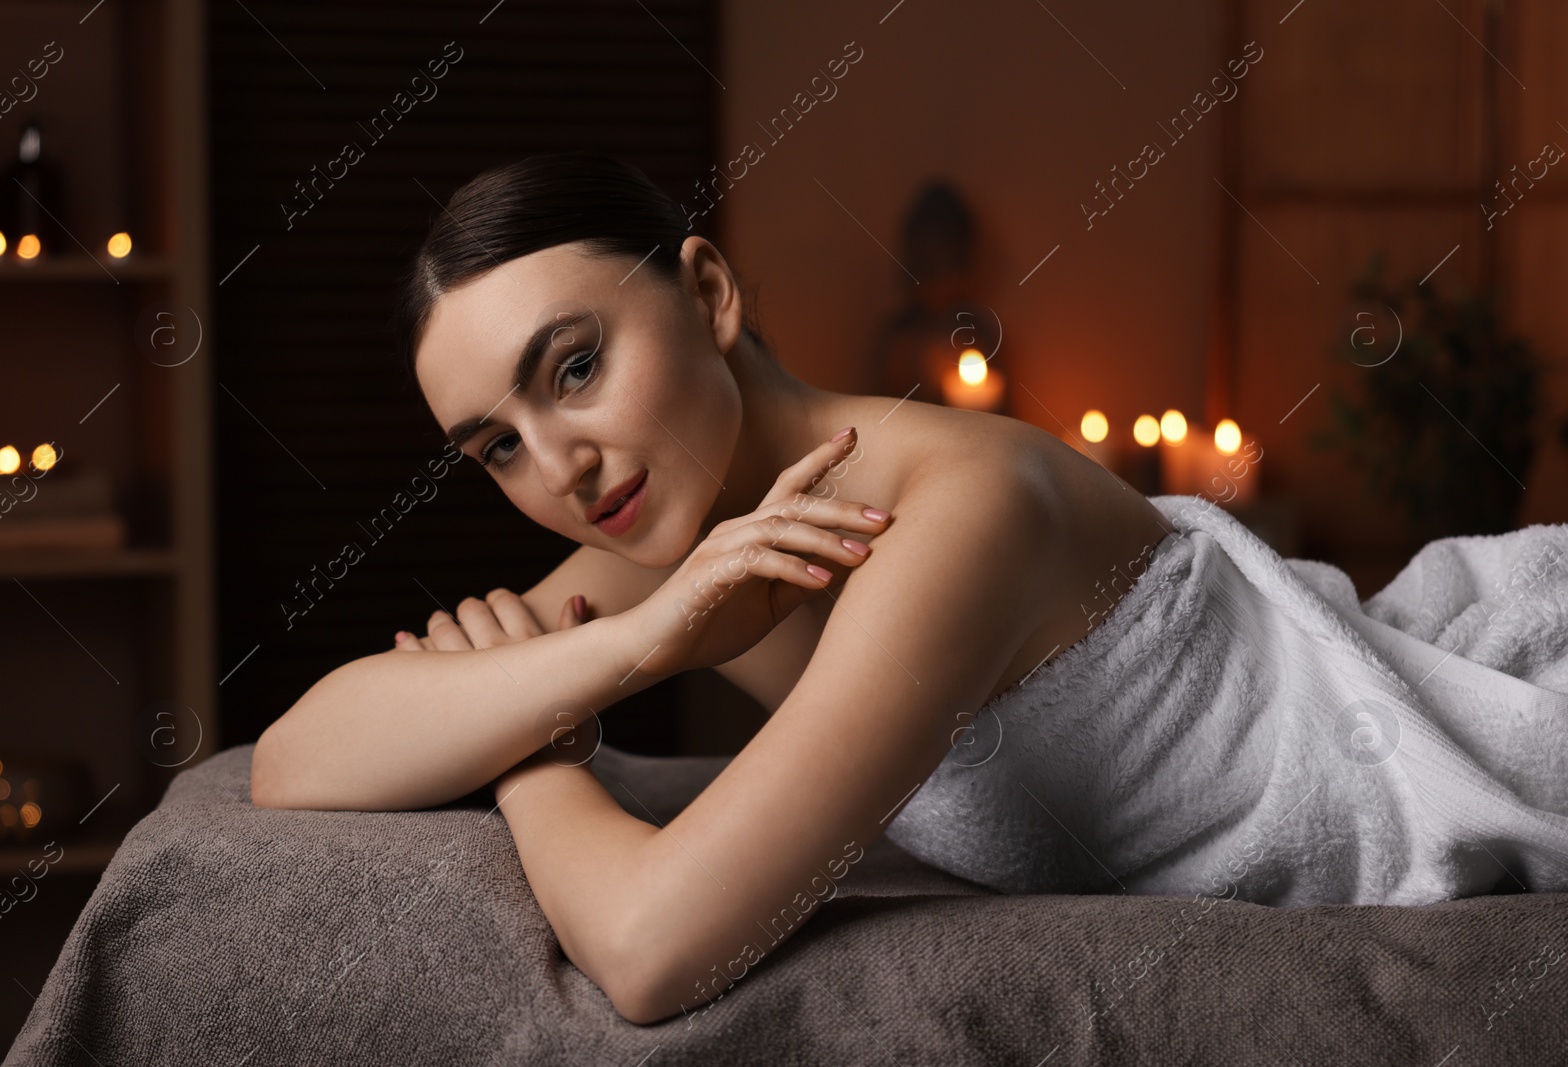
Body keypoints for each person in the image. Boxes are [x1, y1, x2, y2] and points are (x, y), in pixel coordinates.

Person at [250, 151, 1568, 1026]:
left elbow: (652, 953)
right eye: (494, 447)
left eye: (575, 368)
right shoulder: (677, 550)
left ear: (707, 291)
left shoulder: (950, 509)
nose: (556, 464)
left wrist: (536, 750)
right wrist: (628, 647)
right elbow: (295, 762)